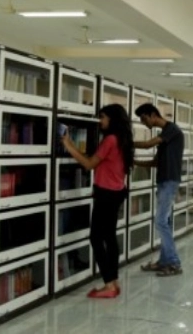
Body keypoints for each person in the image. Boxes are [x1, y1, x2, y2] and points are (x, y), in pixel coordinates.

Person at [61, 104, 133, 298]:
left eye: (103, 117)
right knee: (109, 236)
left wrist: (69, 145)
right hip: (118, 192)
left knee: (96, 237)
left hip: (106, 194)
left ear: (112, 119)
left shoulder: (109, 139)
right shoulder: (124, 139)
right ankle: (114, 281)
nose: (100, 121)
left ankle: (109, 284)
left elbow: (88, 164)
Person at [133, 103, 185, 277]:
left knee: (160, 222)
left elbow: (148, 145)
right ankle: (164, 261)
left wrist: (126, 143)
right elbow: (155, 162)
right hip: (163, 181)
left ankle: (174, 263)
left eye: (144, 119)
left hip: (170, 182)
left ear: (153, 115)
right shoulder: (164, 137)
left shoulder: (172, 130)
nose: (143, 123)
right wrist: (136, 163)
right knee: (166, 223)